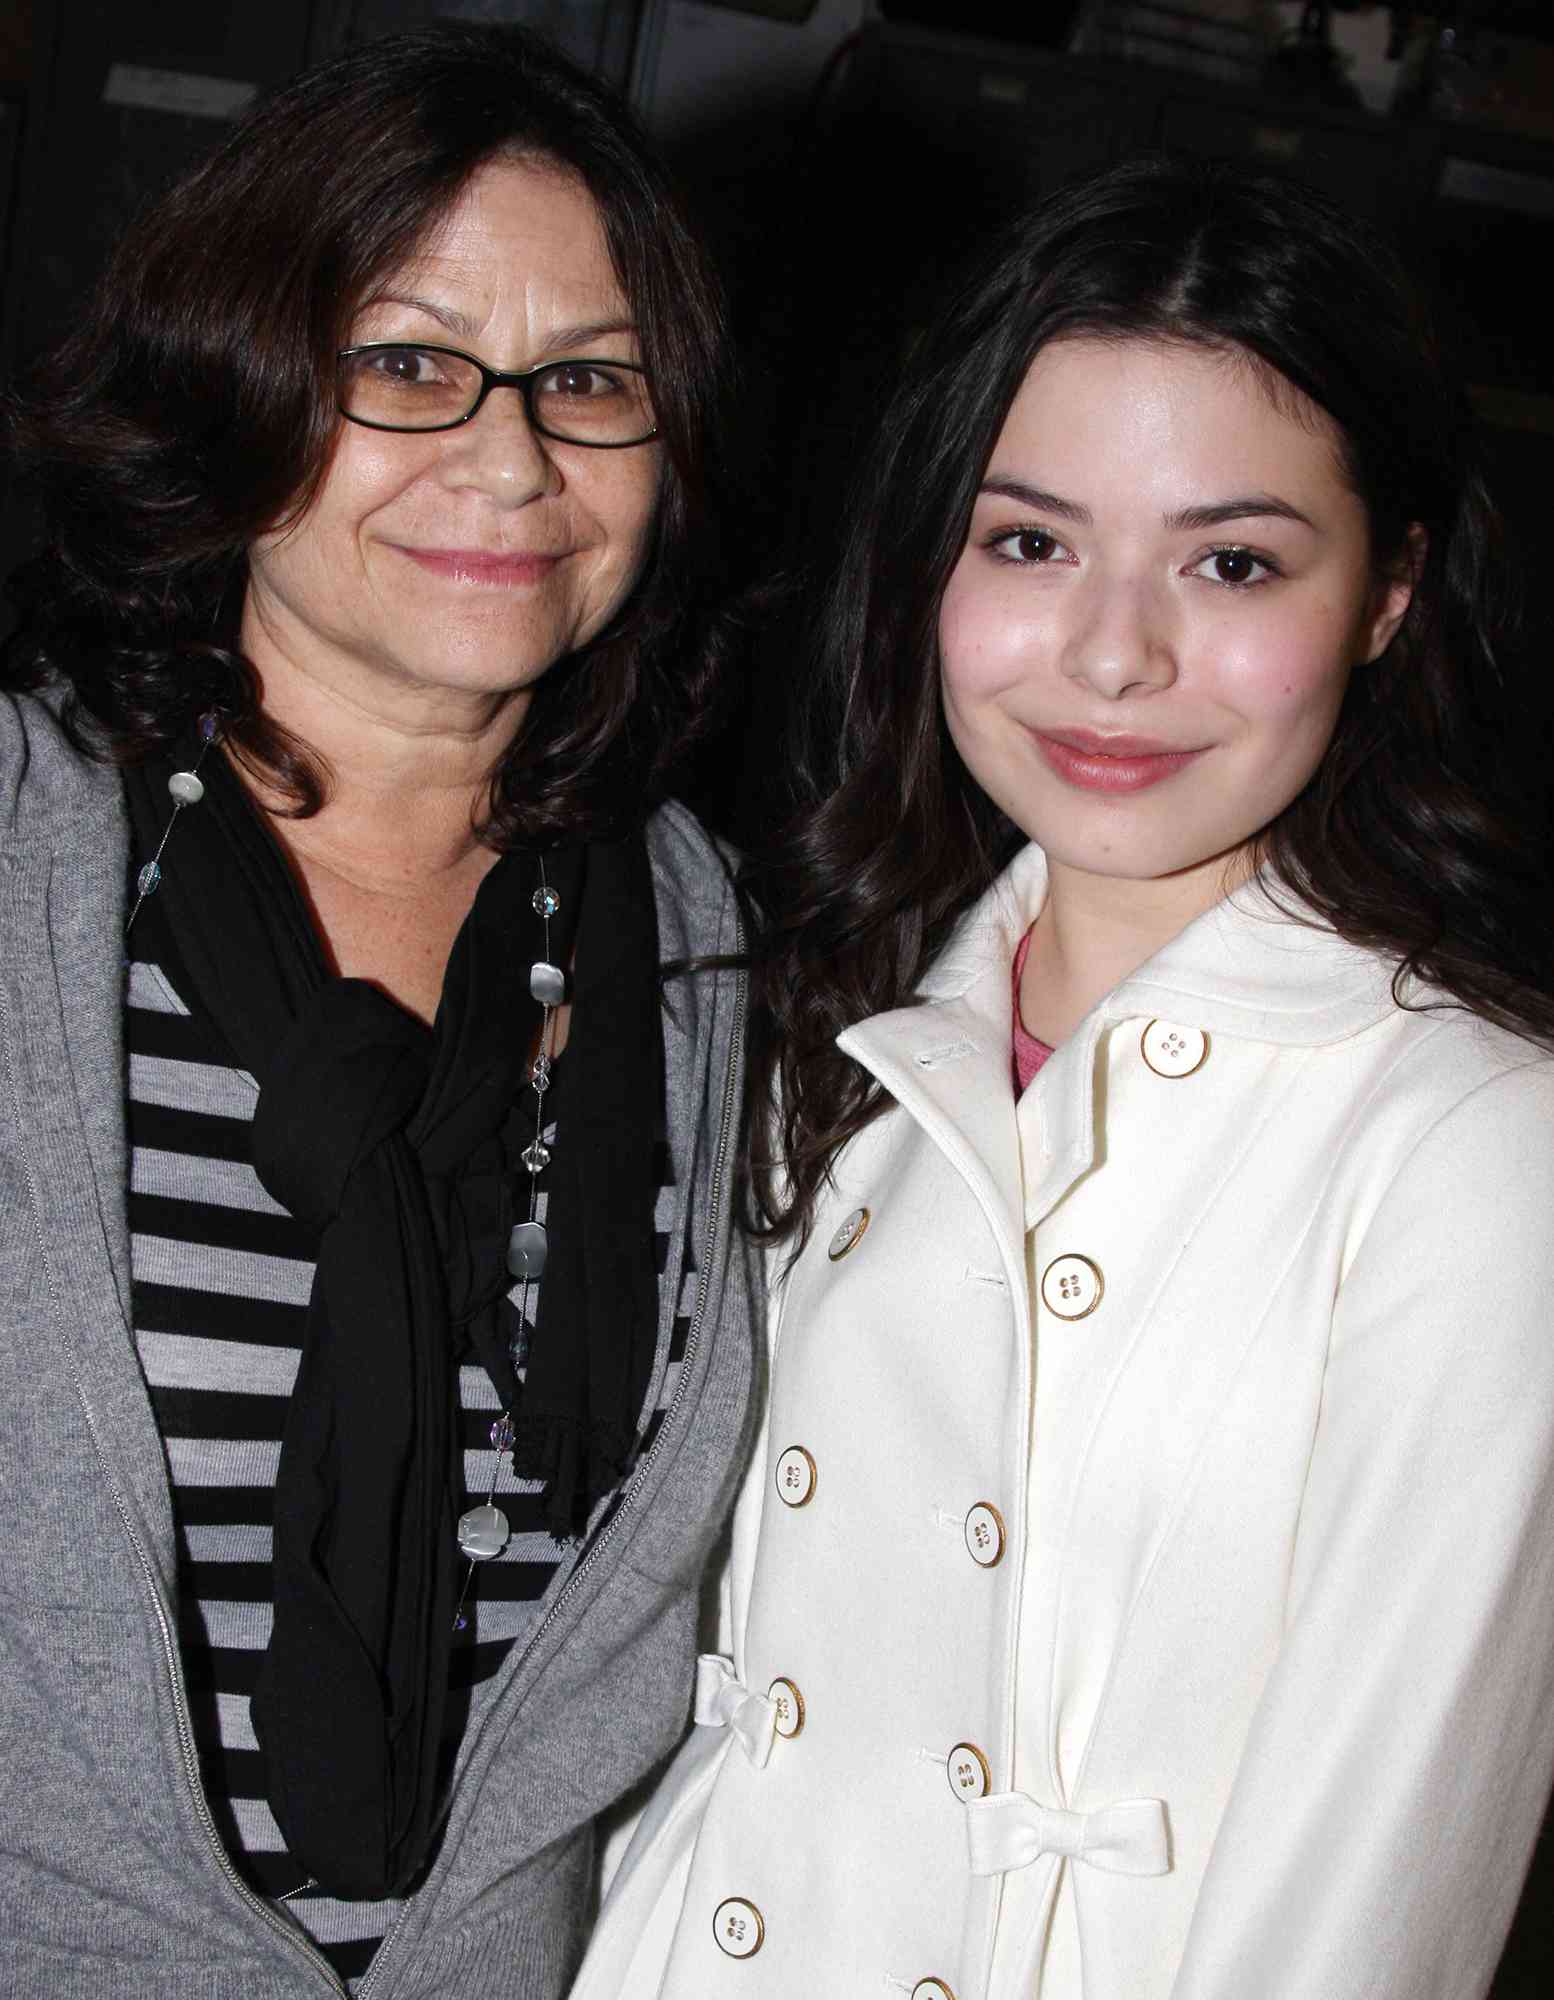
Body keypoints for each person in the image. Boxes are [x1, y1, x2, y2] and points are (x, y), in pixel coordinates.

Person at [571, 157, 1554, 1999]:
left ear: (1387, 598)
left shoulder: (1474, 1142)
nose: (1113, 653)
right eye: (1029, 542)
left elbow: (1369, 1893)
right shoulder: (827, 1028)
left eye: (1232, 561)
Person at [0, 23, 756, 1998]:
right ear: (229, 385)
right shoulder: (19, 856)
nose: (508, 460)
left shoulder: (698, 950)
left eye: (589, 381)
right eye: (409, 364)